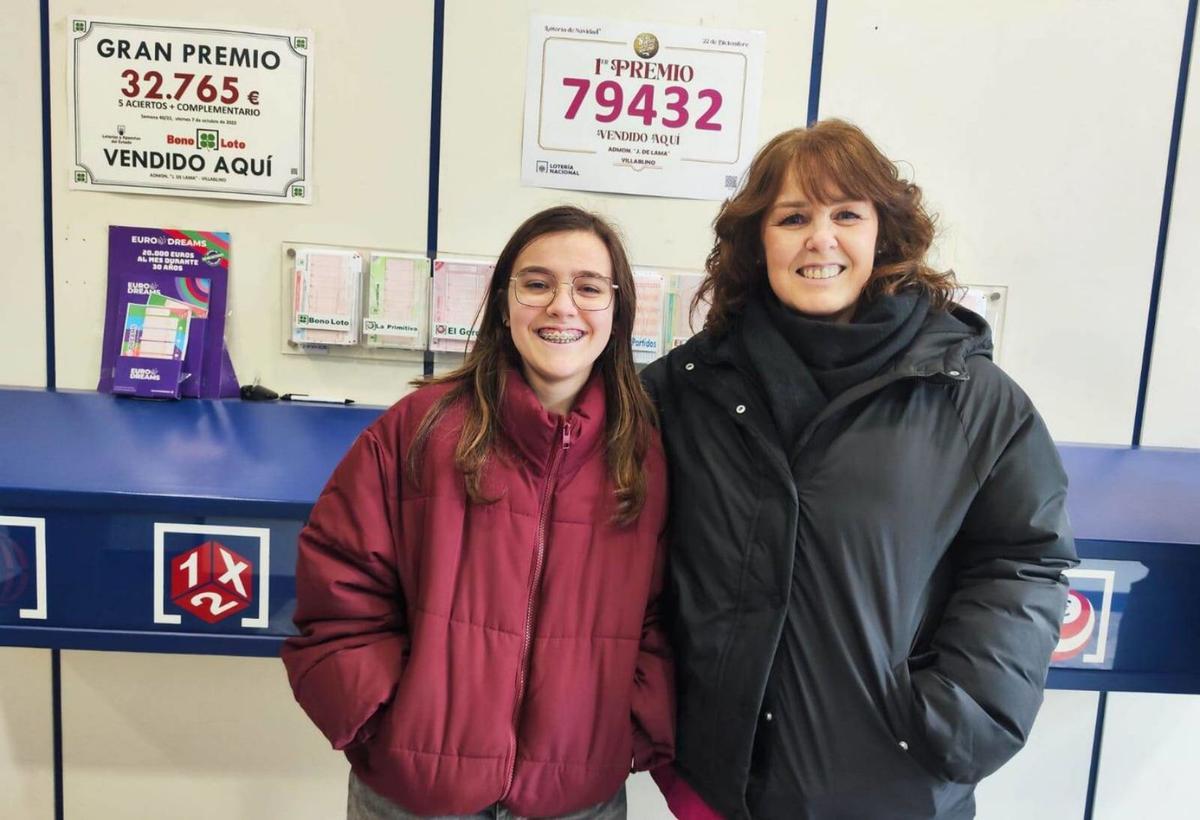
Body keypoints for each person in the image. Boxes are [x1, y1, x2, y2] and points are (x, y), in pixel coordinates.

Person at [643, 120, 1078, 819]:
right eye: (793, 217)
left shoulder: (968, 396)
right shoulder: (685, 391)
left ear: (885, 233)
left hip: (900, 786)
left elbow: (1024, 560)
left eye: (847, 213)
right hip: (721, 791)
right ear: (759, 241)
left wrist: (963, 713)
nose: (822, 238)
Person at [282, 206, 673, 819]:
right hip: (413, 797)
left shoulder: (645, 455)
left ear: (618, 313)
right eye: (537, 283)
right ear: (503, 302)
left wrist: (627, 728)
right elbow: (339, 589)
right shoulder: (419, 431)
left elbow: (671, 615)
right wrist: (381, 721)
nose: (562, 306)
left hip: (576, 800)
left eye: (589, 287)